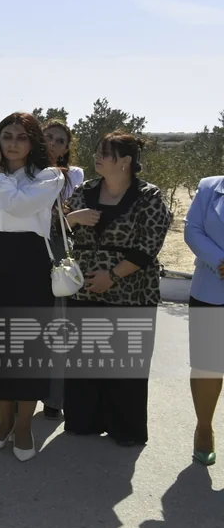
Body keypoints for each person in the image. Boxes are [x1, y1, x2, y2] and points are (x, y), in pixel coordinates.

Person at [0, 113, 64, 462]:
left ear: (33, 142)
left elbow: (16, 205)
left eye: (22, 136)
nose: (14, 143)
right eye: (7, 136)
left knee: (30, 350)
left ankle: (23, 425)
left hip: (31, 267)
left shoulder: (49, 176)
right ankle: (4, 421)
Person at [63, 132, 172, 447]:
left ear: (125, 161)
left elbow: (149, 245)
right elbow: (57, 232)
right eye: (98, 151)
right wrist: (73, 219)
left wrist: (111, 276)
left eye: (105, 153)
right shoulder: (84, 191)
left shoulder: (149, 196)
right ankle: (84, 422)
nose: (97, 156)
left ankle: (125, 428)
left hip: (132, 292)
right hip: (85, 290)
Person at [41, 120, 82, 419]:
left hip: (55, 251)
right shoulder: (23, 172)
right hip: (26, 251)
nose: (53, 144)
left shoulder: (73, 176)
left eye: (60, 141)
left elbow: (66, 224)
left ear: (67, 148)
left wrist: (71, 218)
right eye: (48, 137)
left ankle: (54, 398)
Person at [185, 175, 224, 465]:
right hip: (212, 288)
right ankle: (204, 427)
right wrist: (221, 262)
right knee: (208, 366)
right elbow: (193, 229)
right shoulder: (210, 187)